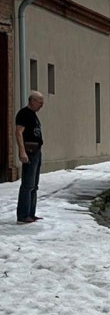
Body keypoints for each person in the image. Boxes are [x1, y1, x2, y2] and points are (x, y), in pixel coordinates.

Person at [15, 91, 45, 224]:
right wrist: (22, 151)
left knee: (34, 185)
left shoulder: (33, 115)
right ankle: (23, 214)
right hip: (29, 151)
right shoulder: (24, 114)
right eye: (40, 102)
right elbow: (19, 132)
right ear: (32, 100)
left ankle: (31, 213)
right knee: (27, 184)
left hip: (37, 151)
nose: (41, 105)